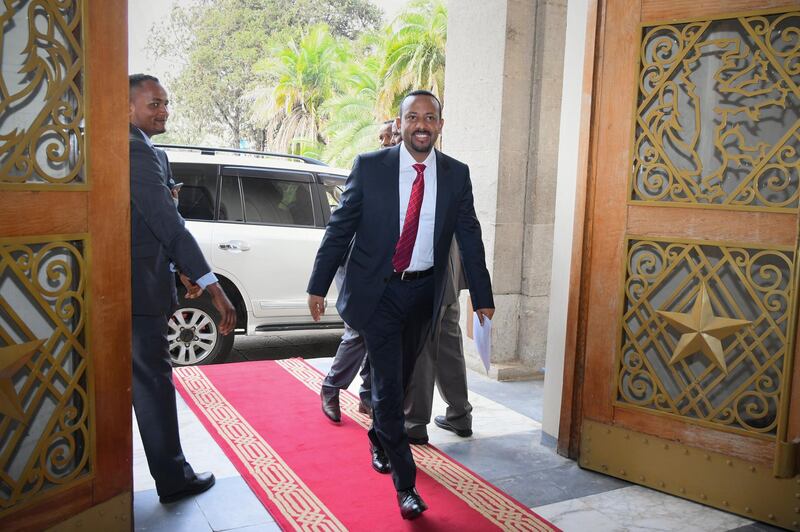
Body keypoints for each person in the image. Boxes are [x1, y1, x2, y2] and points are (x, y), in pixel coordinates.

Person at [307, 90, 494, 520]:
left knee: (405, 378)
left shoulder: (455, 174)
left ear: (440, 126)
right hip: (380, 293)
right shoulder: (371, 167)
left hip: (424, 295)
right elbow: (340, 229)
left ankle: (379, 436)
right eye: (414, 117)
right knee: (390, 387)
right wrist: (318, 285)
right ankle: (406, 486)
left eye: (430, 117)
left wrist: (482, 297)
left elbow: (470, 236)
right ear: (401, 121)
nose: (422, 125)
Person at [129, 73, 236, 504]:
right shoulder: (133, 150)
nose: (164, 111)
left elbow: (156, 222)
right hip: (134, 291)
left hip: (147, 280)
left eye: (166, 103)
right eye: (154, 104)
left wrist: (182, 269)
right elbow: (167, 222)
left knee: (146, 381)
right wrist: (214, 287)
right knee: (153, 383)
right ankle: (173, 480)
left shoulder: (153, 151)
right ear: (126, 106)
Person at [320, 119, 400, 422]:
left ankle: (367, 397)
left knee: (376, 333)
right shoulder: (370, 169)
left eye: (390, 136)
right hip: (356, 265)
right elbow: (341, 224)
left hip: (392, 271)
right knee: (358, 329)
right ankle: (332, 386)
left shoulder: (416, 173)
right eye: (382, 137)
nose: (386, 142)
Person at [404, 239, 473, 444]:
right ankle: (460, 415)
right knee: (450, 348)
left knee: (423, 351)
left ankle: (414, 424)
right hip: (451, 273)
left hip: (432, 277)